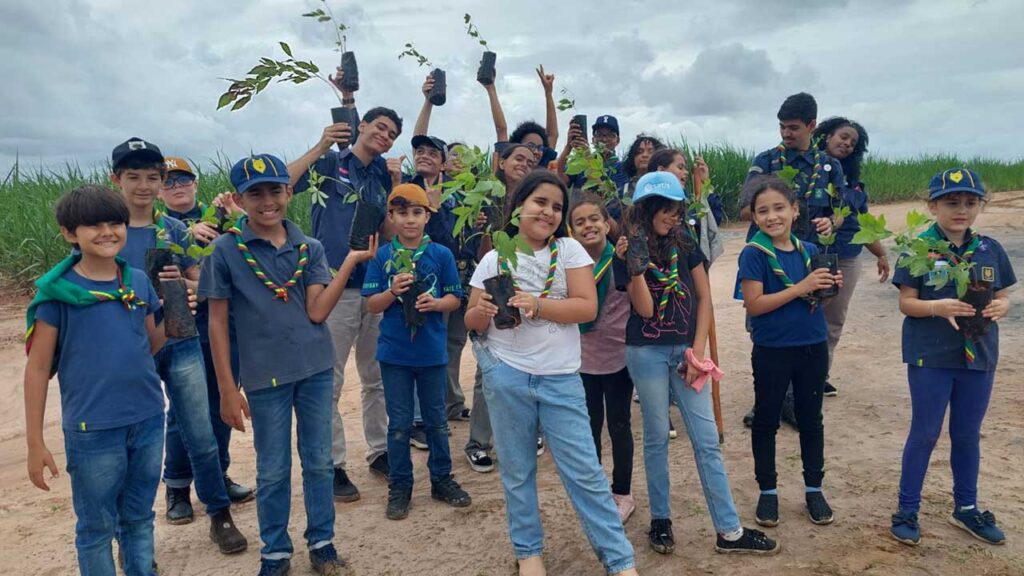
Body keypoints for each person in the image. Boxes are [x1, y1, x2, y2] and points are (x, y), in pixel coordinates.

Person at [202, 154, 375, 576]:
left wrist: (350, 262)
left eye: (274, 190)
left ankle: (322, 544)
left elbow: (317, 312)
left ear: (289, 192)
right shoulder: (225, 251)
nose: (267, 201)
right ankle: (275, 553)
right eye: (254, 193)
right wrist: (228, 387)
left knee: (318, 462)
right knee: (273, 468)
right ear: (239, 200)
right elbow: (217, 322)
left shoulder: (309, 247)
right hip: (265, 378)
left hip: (315, 367)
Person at [465, 170, 638, 576]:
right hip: (507, 375)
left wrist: (536, 305)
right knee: (518, 470)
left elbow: (585, 308)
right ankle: (529, 554)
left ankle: (619, 560)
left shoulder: (569, 251)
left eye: (557, 207)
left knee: (586, 473)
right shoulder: (495, 256)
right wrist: (483, 311)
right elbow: (472, 319)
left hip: (560, 378)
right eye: (540, 202)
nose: (549, 212)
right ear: (520, 204)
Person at [617, 172, 779, 555]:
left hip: (686, 351)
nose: (671, 216)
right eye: (664, 209)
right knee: (656, 435)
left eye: (676, 209)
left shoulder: (686, 243)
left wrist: (698, 353)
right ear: (645, 208)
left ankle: (729, 531)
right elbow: (645, 309)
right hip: (646, 351)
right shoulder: (628, 249)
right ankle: (661, 519)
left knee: (706, 439)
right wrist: (634, 267)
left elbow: (704, 298)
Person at [108, 138, 247, 553]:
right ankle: (136, 534)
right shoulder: (106, 231)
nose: (144, 186)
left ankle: (218, 513)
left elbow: (200, 281)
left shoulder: (174, 230)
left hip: (181, 336)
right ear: (116, 180)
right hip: (129, 346)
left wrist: (191, 290)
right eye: (133, 177)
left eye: (153, 177)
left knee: (201, 430)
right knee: (136, 440)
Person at [24, 185, 168, 575]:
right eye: (93, 226)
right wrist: (35, 442)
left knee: (139, 517)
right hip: (92, 428)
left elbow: (151, 342)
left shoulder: (136, 281)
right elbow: (37, 369)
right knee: (96, 527)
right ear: (70, 234)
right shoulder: (57, 294)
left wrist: (177, 310)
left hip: (148, 418)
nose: (107, 232)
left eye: (114, 223)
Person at [889, 168, 1015, 546]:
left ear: (979, 206)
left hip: (979, 356)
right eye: (951, 202)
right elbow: (906, 302)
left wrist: (1001, 308)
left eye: (970, 202)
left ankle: (966, 508)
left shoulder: (990, 248)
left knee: (967, 435)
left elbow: (1005, 294)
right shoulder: (918, 248)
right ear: (933, 206)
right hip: (932, 356)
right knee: (925, 433)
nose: (961, 209)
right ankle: (907, 509)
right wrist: (937, 307)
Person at [289, 104, 404, 502]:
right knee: (330, 380)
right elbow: (284, 184)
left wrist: (397, 186)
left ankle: (379, 452)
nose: (385, 136)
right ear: (363, 126)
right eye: (380, 127)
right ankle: (333, 464)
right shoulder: (329, 164)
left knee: (375, 377)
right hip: (333, 284)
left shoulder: (380, 176)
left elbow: (389, 232)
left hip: (372, 285)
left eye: (392, 133)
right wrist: (321, 143)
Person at [737, 175, 842, 528]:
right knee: (766, 421)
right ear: (754, 218)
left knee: (812, 420)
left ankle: (814, 488)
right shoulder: (754, 254)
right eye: (762, 211)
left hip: (812, 348)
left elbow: (817, 300)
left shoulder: (809, 252)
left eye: (779, 208)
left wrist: (828, 288)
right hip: (771, 350)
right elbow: (754, 304)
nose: (772, 217)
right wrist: (802, 287)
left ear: (795, 211)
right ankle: (768, 491)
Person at [362, 183, 472, 519]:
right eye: (402, 213)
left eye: (417, 213)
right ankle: (401, 485)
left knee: (437, 421)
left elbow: (456, 297)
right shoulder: (382, 256)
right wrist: (393, 291)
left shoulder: (440, 254)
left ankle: (441, 479)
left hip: (432, 354)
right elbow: (371, 304)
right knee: (398, 424)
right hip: (394, 355)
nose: (410, 220)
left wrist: (438, 303)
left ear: (427, 216)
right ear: (391, 217)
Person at [157, 157, 254, 522]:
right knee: (183, 412)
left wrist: (235, 216)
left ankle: (217, 475)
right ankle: (177, 486)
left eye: (183, 179)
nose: (177, 186)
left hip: (226, 324)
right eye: (169, 182)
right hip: (183, 328)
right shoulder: (159, 229)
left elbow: (249, 257)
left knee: (223, 402)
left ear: (195, 183)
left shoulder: (223, 215)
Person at [738, 92, 842, 429]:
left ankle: (798, 401)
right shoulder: (766, 161)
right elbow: (744, 209)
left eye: (794, 128)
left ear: (812, 126)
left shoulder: (829, 166)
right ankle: (767, 400)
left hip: (812, 254)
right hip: (767, 256)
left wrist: (832, 222)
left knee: (809, 326)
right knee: (762, 326)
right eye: (782, 127)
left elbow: (842, 210)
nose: (786, 133)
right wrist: (772, 214)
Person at [569, 194, 636, 524]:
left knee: (620, 424)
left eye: (594, 219)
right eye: (579, 222)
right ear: (571, 229)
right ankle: (596, 492)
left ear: (607, 222)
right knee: (589, 427)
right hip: (583, 360)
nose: (588, 226)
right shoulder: (570, 266)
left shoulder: (620, 258)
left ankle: (622, 492)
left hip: (620, 358)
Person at [812, 118, 889, 396]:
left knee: (834, 320)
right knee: (806, 316)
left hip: (846, 257)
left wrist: (880, 253)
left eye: (852, 143)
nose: (846, 144)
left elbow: (863, 223)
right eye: (843, 137)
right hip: (812, 255)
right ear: (827, 136)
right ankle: (795, 379)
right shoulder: (808, 171)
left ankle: (819, 375)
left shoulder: (854, 185)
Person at [647, 148, 724, 265]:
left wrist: (705, 183)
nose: (686, 172)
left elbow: (712, 221)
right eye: (680, 167)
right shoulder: (645, 207)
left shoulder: (686, 201)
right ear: (661, 170)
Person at [620, 134, 665, 199]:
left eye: (650, 151)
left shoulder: (667, 186)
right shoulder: (624, 190)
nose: (644, 155)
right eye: (640, 151)